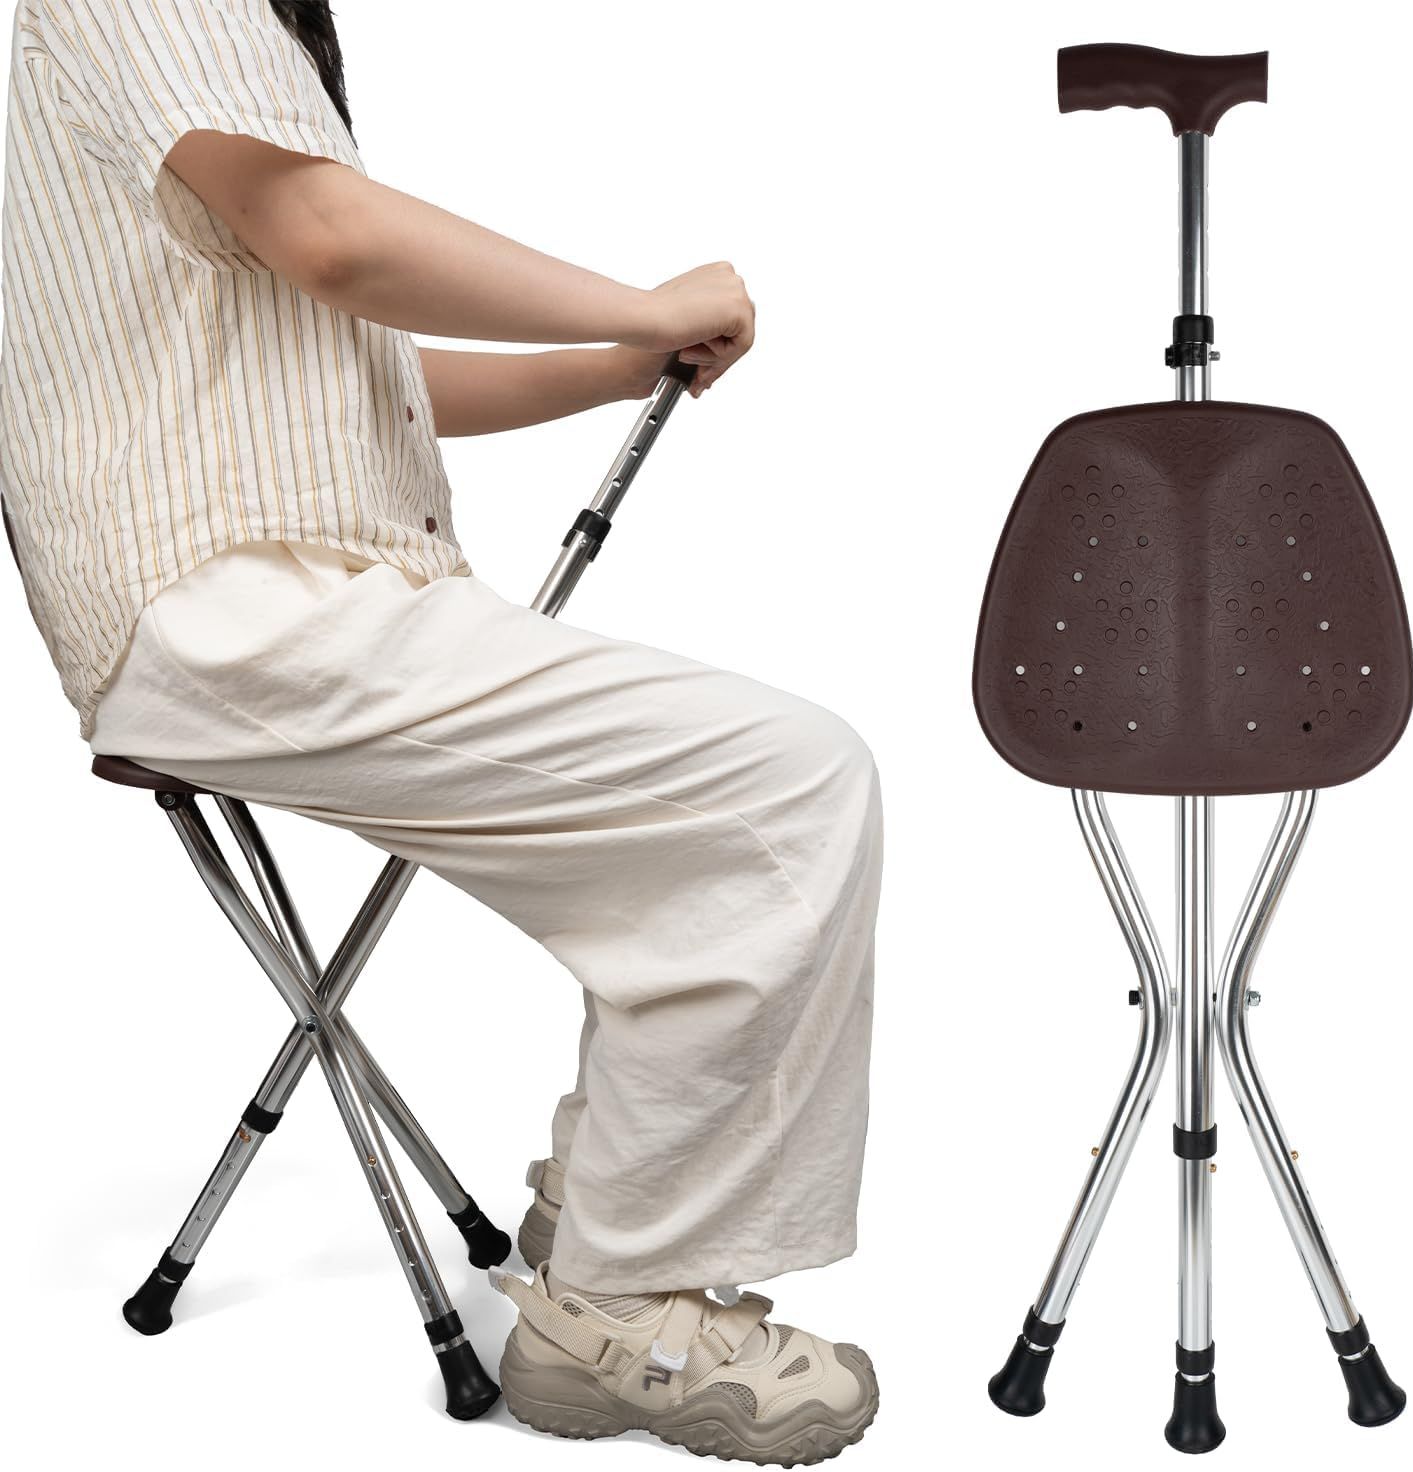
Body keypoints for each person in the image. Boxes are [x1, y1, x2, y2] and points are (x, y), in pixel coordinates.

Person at [0, 3, 882, 1461]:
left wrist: (616, 360)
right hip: (240, 603)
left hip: (262, 596)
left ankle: (608, 1225)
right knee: (783, 789)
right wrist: (637, 303)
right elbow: (334, 240)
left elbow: (359, 366)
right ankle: (616, 1308)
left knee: (755, 798)